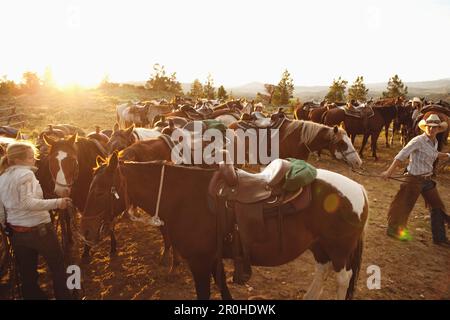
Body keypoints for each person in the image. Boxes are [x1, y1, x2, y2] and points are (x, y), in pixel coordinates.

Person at [0, 141, 73, 299]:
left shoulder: (2, 178)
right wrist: (58, 203)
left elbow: (1, 209)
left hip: (17, 234)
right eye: (31, 157)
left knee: (27, 274)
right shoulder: (26, 174)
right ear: (18, 160)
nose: (34, 160)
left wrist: (6, 226)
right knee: (58, 266)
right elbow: (28, 203)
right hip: (40, 231)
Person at [381, 113, 450, 247]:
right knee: (404, 206)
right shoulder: (418, 140)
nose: (431, 129)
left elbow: (434, 154)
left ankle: (440, 238)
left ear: (438, 129)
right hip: (413, 179)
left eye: (434, 127)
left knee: (438, 206)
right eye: (429, 127)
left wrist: (447, 155)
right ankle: (394, 230)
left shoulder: (434, 142)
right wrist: (389, 172)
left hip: (427, 180)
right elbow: (401, 155)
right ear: (425, 128)